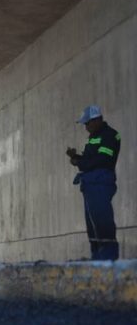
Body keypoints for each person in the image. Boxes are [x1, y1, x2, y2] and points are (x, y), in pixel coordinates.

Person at [67, 105, 121, 260]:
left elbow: (104, 159)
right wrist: (76, 157)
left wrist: (80, 162)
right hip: (91, 183)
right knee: (92, 226)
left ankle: (108, 260)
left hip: (100, 182)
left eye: (87, 123)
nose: (86, 127)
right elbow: (92, 159)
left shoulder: (110, 135)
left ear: (97, 119)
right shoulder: (94, 137)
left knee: (102, 221)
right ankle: (97, 261)